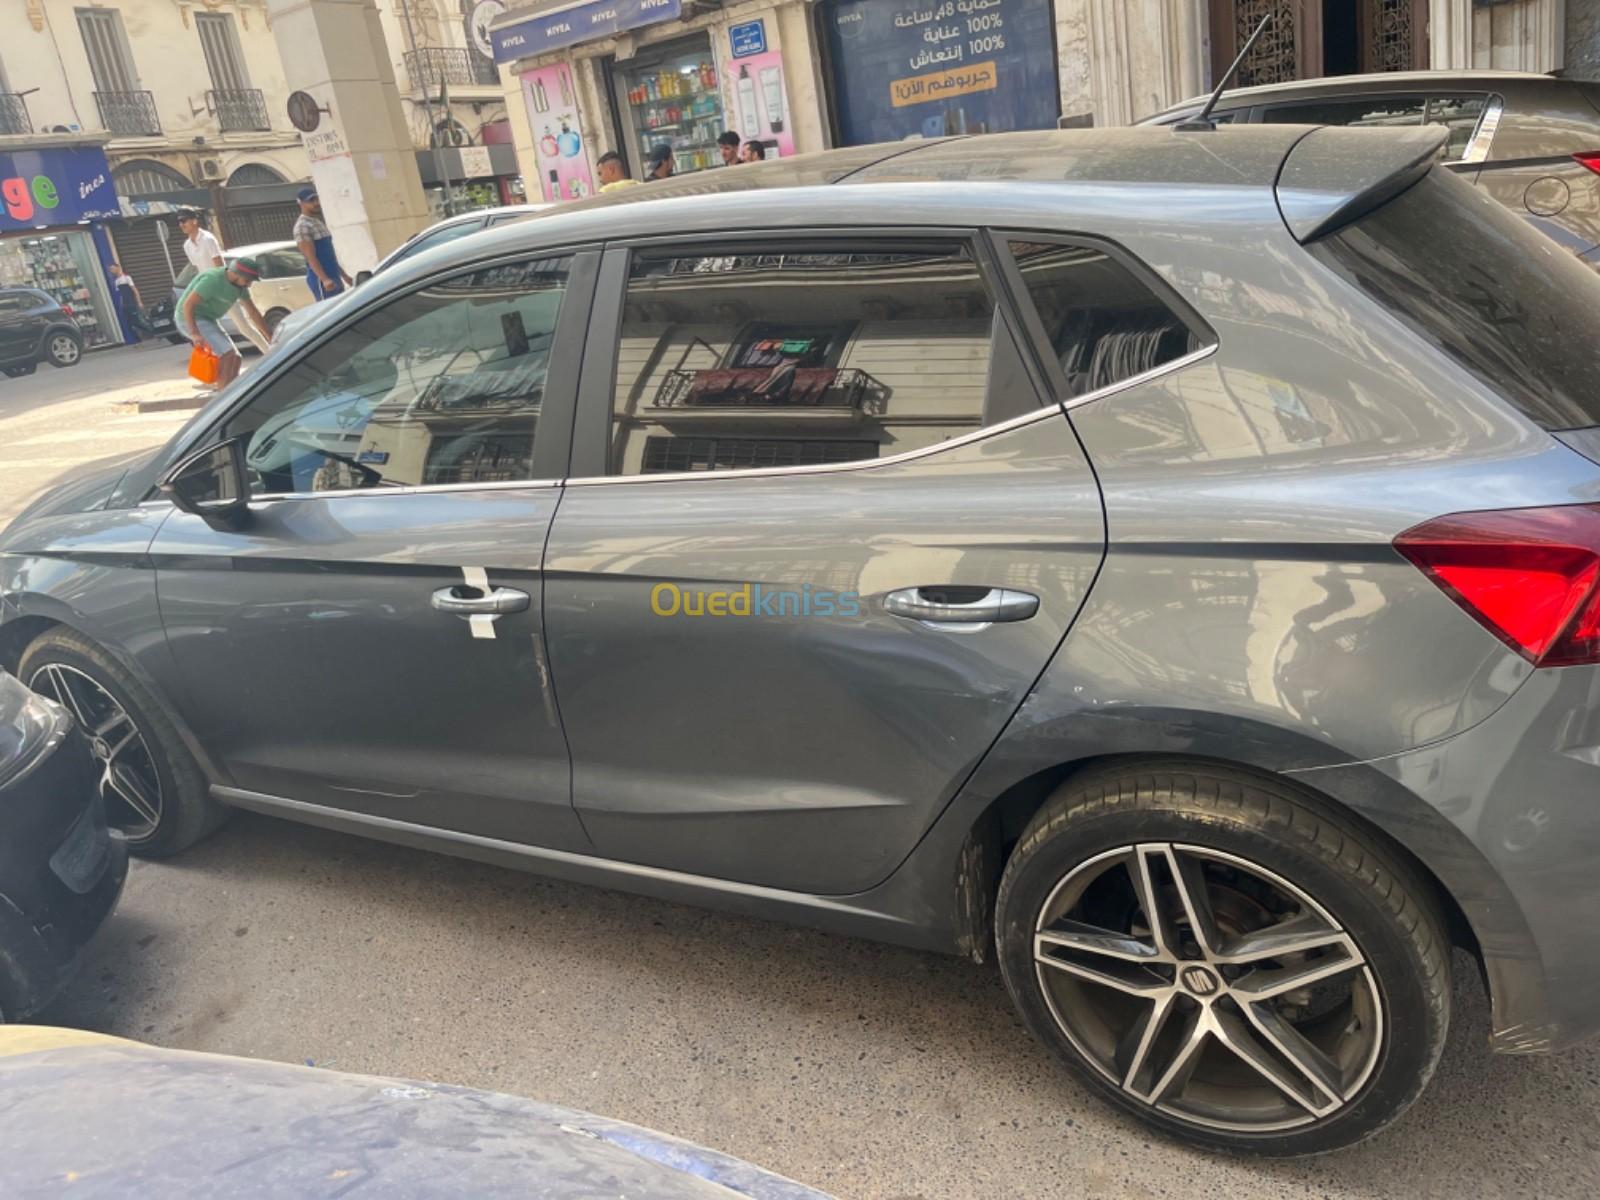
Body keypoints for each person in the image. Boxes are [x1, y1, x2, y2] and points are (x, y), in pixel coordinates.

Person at [175, 208, 269, 355]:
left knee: (243, 326)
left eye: (184, 220)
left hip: (222, 286)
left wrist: (222, 287)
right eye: (179, 222)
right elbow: (198, 268)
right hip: (206, 288)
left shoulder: (208, 239)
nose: (181, 224)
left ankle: (268, 351)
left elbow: (218, 265)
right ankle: (229, 355)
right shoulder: (187, 245)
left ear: (194, 220)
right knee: (211, 324)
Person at [177, 257, 270, 389]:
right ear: (237, 274)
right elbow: (188, 305)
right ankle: (224, 397)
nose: (249, 285)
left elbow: (253, 312)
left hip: (208, 319)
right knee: (227, 356)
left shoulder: (240, 287)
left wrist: (269, 336)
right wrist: (195, 333)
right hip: (190, 318)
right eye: (248, 280)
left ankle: (232, 392)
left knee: (236, 357)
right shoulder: (213, 280)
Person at [292, 186, 352, 302]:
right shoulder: (302, 226)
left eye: (316, 199)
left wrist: (344, 276)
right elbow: (310, 257)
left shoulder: (317, 222)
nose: (316, 203)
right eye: (311, 201)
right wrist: (324, 279)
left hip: (334, 276)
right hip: (322, 280)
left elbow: (329, 255)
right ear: (300, 203)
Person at [108, 262, 154, 343]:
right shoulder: (117, 281)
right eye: (111, 270)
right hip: (125, 304)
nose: (112, 271)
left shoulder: (127, 278)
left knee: (138, 321)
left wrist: (139, 302)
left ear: (118, 267)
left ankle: (154, 331)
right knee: (131, 323)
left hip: (131, 302)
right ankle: (138, 340)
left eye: (112, 268)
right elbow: (120, 295)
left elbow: (135, 290)